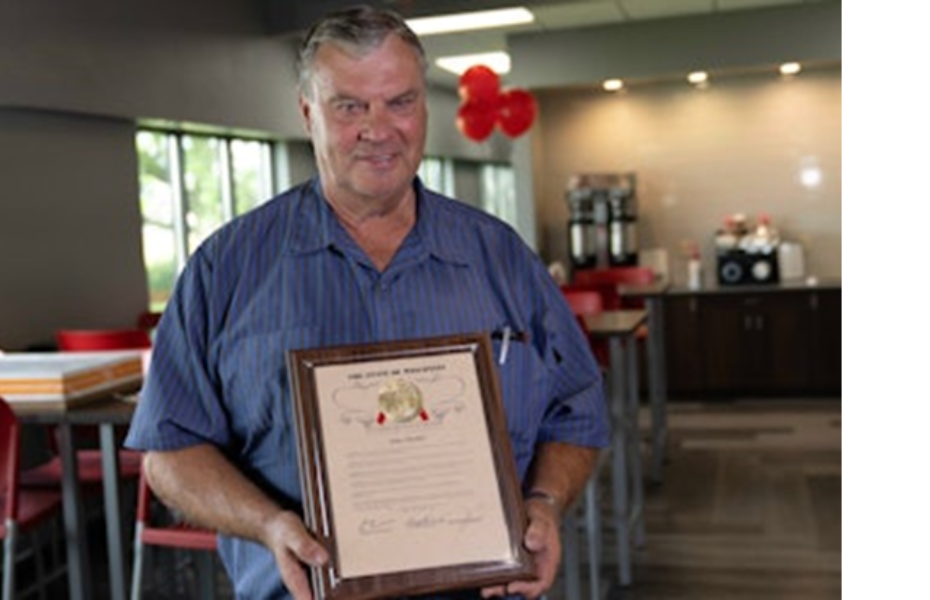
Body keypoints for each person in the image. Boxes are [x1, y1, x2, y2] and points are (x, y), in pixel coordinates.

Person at [124, 6, 608, 599]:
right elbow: (170, 451)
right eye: (349, 107)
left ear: (424, 109)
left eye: (399, 102)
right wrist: (268, 524)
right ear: (308, 113)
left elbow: (577, 408)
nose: (378, 130)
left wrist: (546, 501)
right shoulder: (224, 268)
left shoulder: (502, 256)